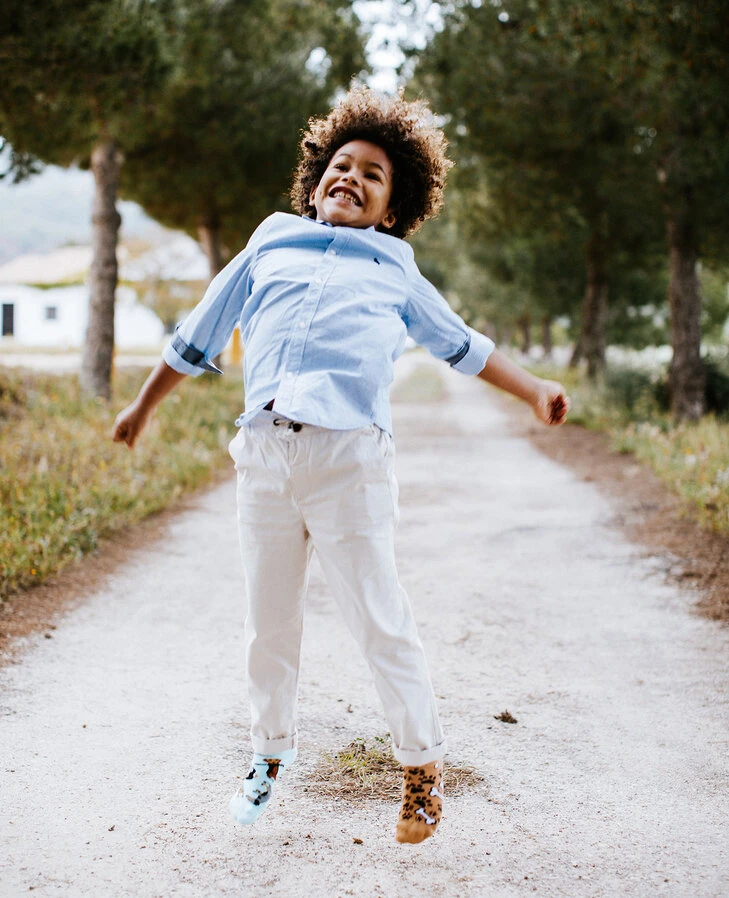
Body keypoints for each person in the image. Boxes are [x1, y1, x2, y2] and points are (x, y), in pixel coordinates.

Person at [112, 86, 569, 844]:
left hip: (348, 460)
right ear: (317, 177)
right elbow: (200, 331)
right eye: (341, 164)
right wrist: (142, 407)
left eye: (372, 175)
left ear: (391, 208)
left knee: (378, 618)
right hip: (263, 453)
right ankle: (268, 753)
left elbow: (461, 345)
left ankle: (421, 766)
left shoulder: (395, 265)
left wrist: (533, 390)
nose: (350, 178)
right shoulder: (270, 239)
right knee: (268, 623)